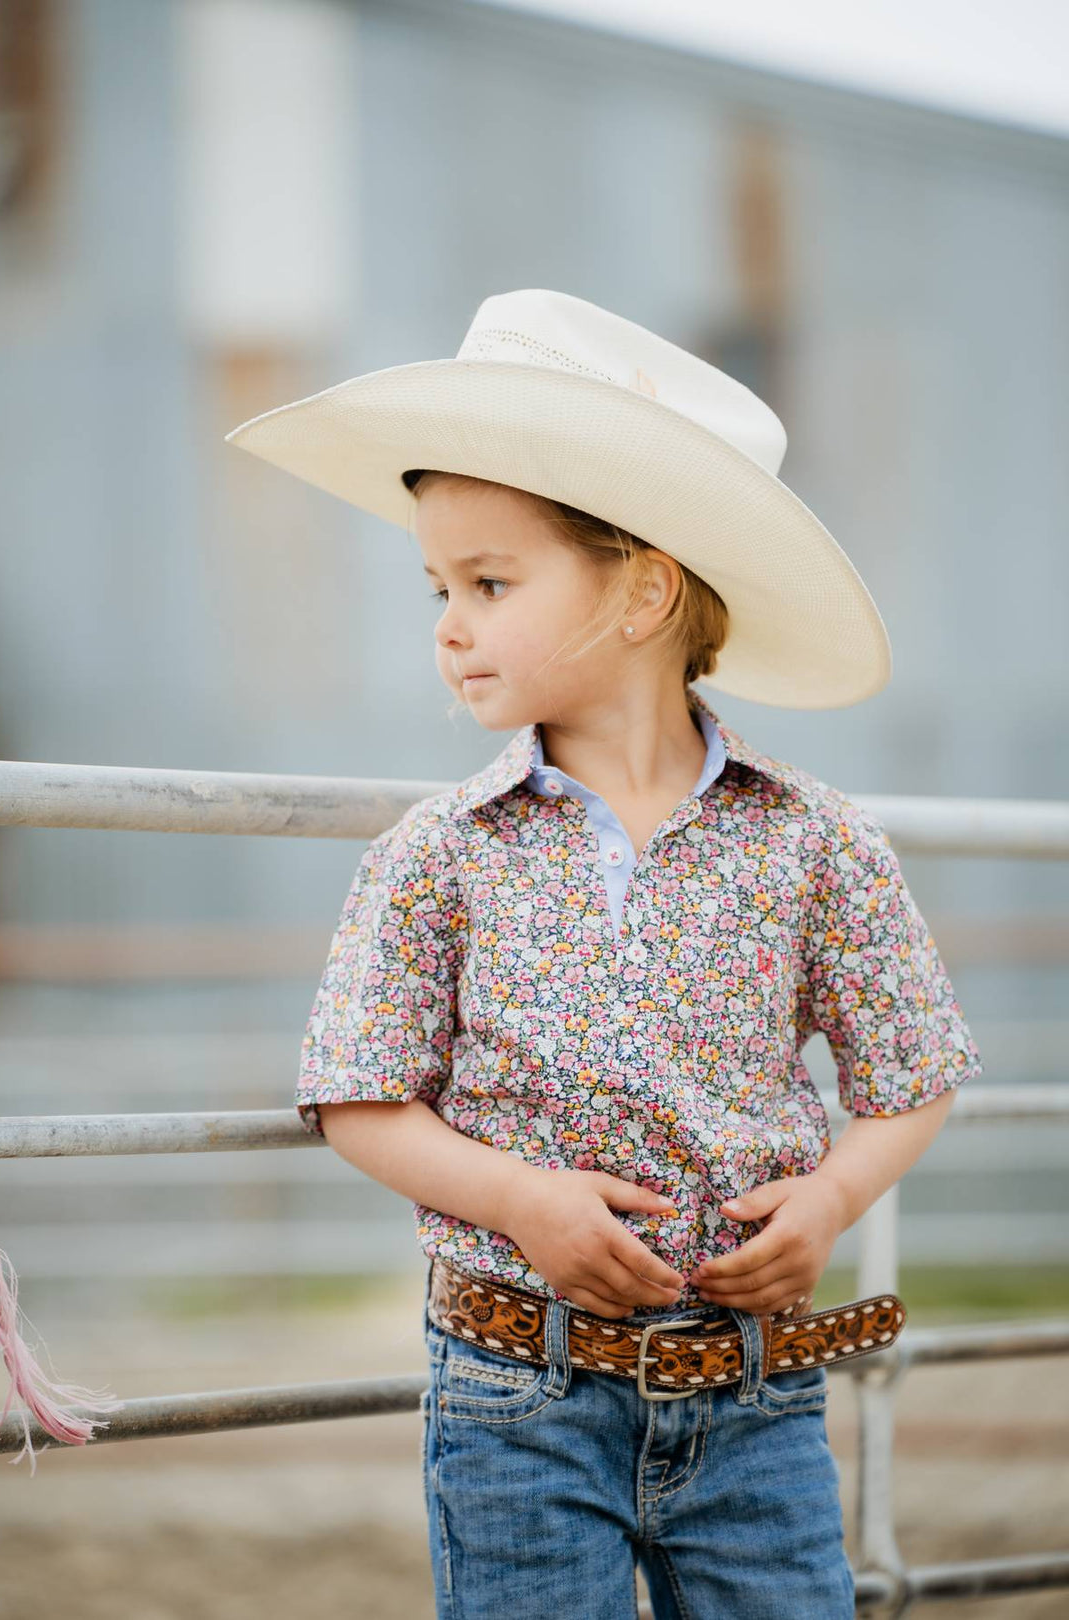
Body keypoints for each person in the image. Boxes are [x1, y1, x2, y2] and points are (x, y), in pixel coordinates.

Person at [225, 288, 983, 1618]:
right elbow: (356, 1094)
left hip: (757, 1391)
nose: (448, 623)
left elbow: (910, 1071)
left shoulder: (812, 840)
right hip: (516, 1390)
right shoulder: (444, 850)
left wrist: (827, 1205)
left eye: (490, 584)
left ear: (642, 590)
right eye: (440, 587)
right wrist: (521, 1202)